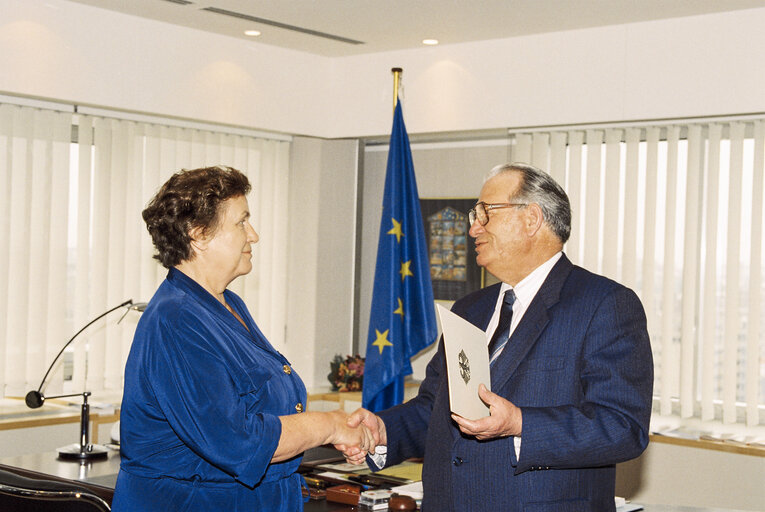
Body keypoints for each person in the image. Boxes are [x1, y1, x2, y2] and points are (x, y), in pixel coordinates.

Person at [341, 163, 654, 511]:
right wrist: (384, 429)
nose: (473, 227)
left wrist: (520, 424)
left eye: (485, 212)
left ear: (531, 218)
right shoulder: (469, 308)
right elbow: (436, 406)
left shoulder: (604, 304)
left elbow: (623, 428)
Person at [113, 166, 372, 511]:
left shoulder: (227, 303)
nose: (254, 234)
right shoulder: (176, 319)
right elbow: (237, 441)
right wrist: (330, 426)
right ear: (199, 234)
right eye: (241, 222)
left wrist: (337, 427)